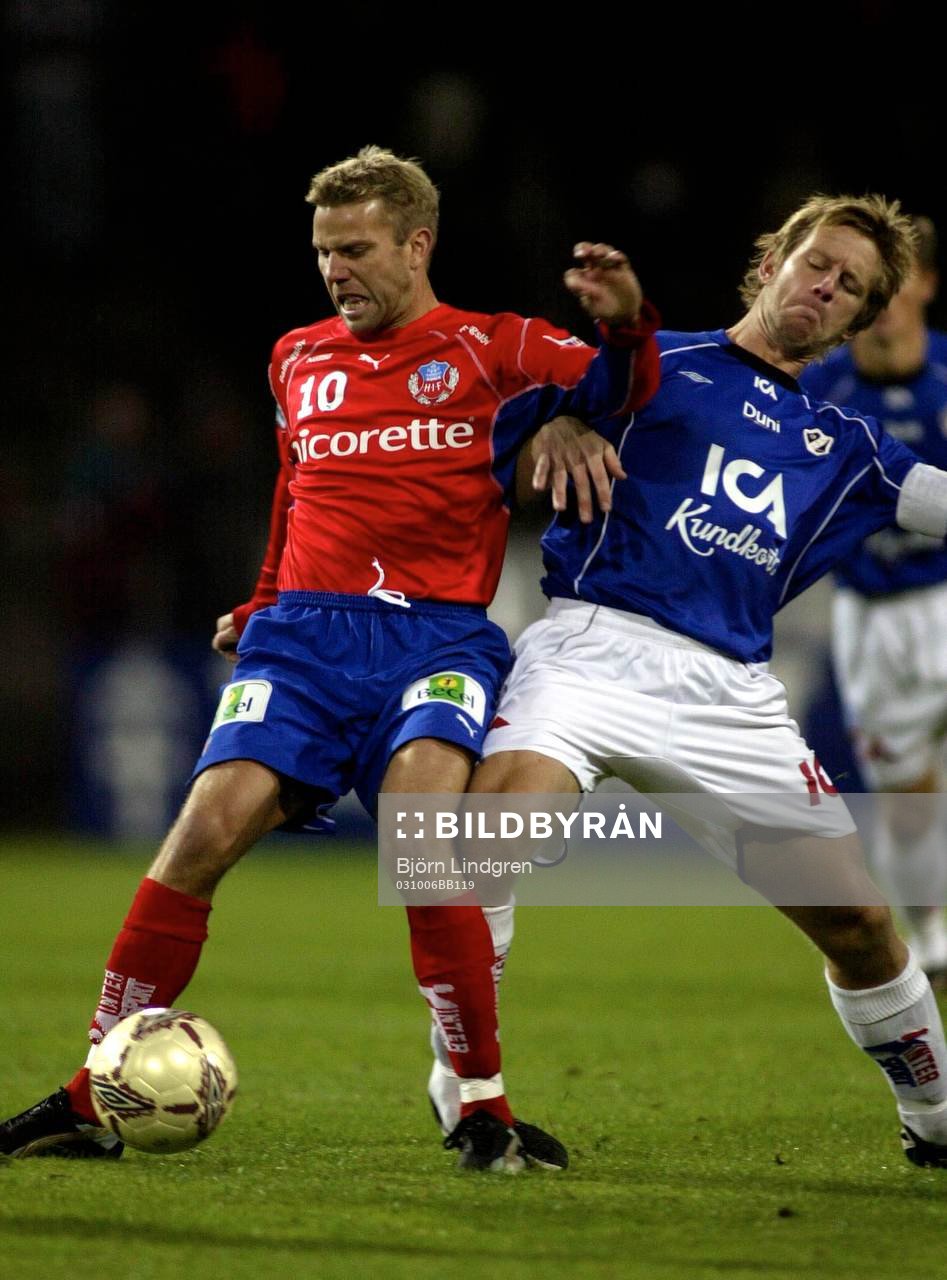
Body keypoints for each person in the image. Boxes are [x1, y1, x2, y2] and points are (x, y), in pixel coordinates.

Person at [0, 146, 658, 1172]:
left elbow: (626, 387)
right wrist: (262, 603)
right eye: (321, 252)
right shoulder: (296, 357)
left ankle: (480, 1103)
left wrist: (617, 328)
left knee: (423, 841)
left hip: (434, 638)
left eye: (354, 249)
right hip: (303, 639)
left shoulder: (494, 347)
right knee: (199, 835)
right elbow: (293, 489)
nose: (335, 270)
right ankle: (95, 1089)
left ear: (415, 243)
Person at [464, 193, 947, 1169]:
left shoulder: (844, 450)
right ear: (770, 257)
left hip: (729, 693)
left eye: (849, 286)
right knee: (467, 848)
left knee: (858, 925)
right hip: (590, 647)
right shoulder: (658, 360)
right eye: (816, 262)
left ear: (855, 321)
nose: (824, 287)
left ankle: (934, 1120)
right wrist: (547, 427)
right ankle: (470, 1096)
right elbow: (478, 417)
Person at [800, 218, 947, 984]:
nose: (885, 303)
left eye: (899, 284)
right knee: (907, 793)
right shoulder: (820, 391)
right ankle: (930, 927)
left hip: (946, 590)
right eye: (871, 289)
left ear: (923, 286)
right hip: (872, 612)